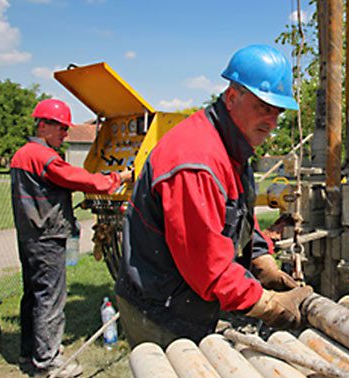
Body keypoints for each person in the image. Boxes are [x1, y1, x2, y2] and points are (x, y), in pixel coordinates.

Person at [115, 44, 313, 349]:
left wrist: (261, 260)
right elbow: (208, 268)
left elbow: (239, 216)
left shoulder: (232, 148)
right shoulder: (196, 162)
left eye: (278, 111)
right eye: (263, 107)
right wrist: (269, 304)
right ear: (233, 97)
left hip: (184, 299)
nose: (272, 122)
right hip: (159, 313)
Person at [10, 98, 132, 377]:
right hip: (46, 236)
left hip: (29, 236)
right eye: (61, 128)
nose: (65, 134)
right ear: (43, 126)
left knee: (32, 295)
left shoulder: (22, 154)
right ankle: (48, 362)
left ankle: (30, 353)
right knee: (50, 299)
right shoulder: (42, 156)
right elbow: (79, 179)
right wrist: (119, 177)